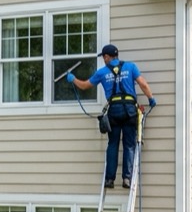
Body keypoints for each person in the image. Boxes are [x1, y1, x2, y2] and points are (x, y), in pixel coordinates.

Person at [66, 44, 156, 189]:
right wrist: (151, 99)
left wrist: (73, 79)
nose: (103, 60)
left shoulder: (102, 72)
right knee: (129, 145)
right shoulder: (131, 67)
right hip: (129, 111)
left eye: (103, 57)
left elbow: (84, 86)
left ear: (107, 57)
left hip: (114, 110)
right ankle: (127, 178)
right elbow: (143, 84)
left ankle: (109, 180)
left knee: (113, 144)